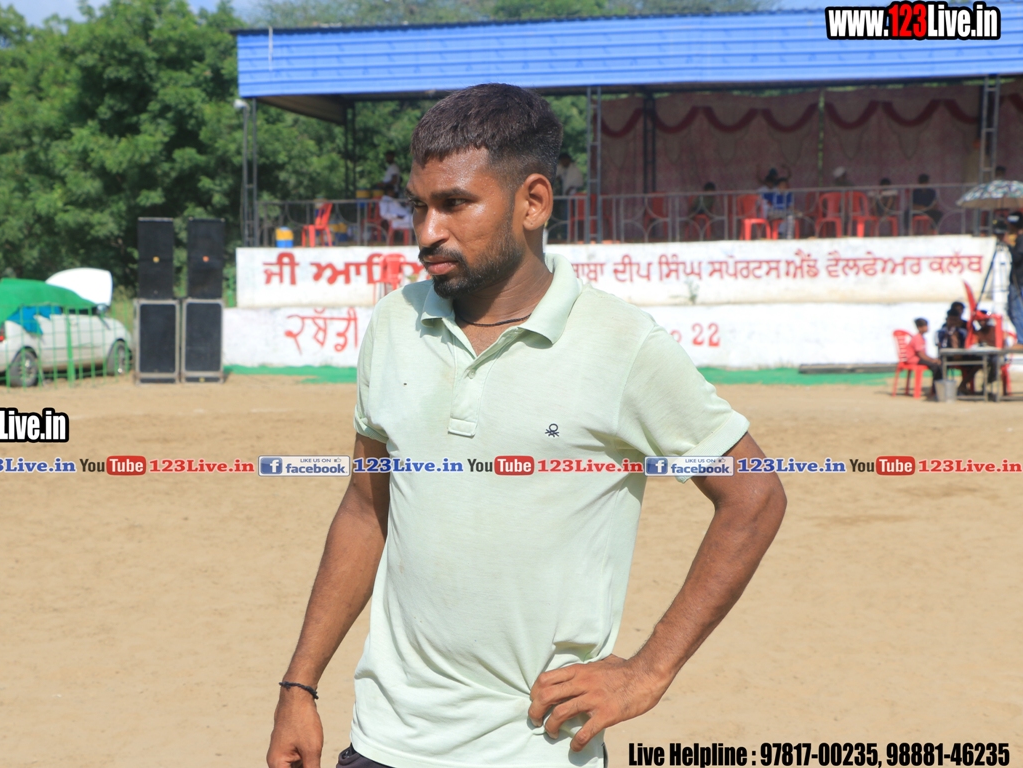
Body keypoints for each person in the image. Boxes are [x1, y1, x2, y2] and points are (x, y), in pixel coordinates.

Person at [266, 83, 787, 768]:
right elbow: (366, 510)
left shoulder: (621, 344)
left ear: (533, 202)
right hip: (384, 742)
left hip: (534, 749)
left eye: (455, 204)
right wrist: (299, 685)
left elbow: (755, 494)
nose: (427, 232)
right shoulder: (394, 322)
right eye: (419, 206)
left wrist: (649, 669)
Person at [908, 318, 943, 399]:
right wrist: (932, 360)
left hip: (919, 358)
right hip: (914, 359)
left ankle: (937, 389)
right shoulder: (917, 338)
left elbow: (924, 354)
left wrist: (933, 359)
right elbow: (920, 354)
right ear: (919, 327)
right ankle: (935, 391)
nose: (927, 328)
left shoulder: (922, 338)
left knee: (938, 364)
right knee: (935, 366)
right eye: (925, 326)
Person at [1004, 211, 1023, 344]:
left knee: (1017, 311)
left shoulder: (1021, 239)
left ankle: (1021, 340)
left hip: (1019, 282)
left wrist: (1008, 244)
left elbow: (1017, 258)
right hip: (1017, 281)